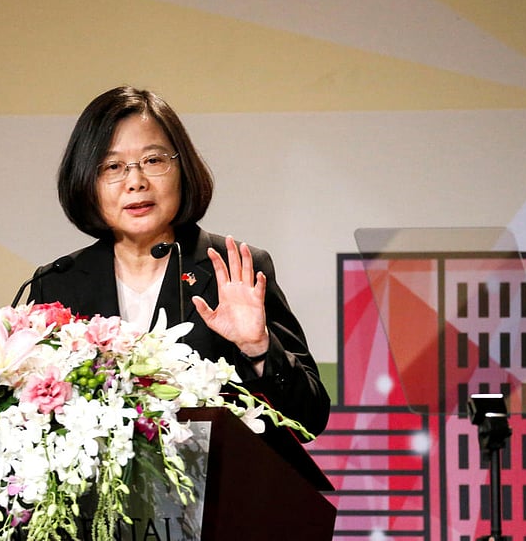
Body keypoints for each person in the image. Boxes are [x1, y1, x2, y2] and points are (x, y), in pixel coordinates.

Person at [27, 86, 329, 438]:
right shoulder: (60, 282)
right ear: (86, 182)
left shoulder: (232, 270)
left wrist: (258, 348)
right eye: (113, 166)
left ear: (181, 168)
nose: (136, 182)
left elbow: (309, 421)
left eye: (153, 161)